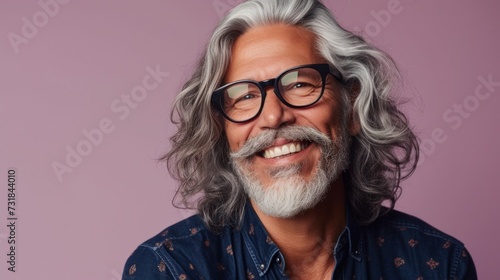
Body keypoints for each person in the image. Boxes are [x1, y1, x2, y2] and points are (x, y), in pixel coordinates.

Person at [122, 0, 477, 279]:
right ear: (221, 130)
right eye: (244, 97)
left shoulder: (439, 264)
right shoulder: (169, 269)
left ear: (351, 106)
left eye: (300, 85)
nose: (274, 116)